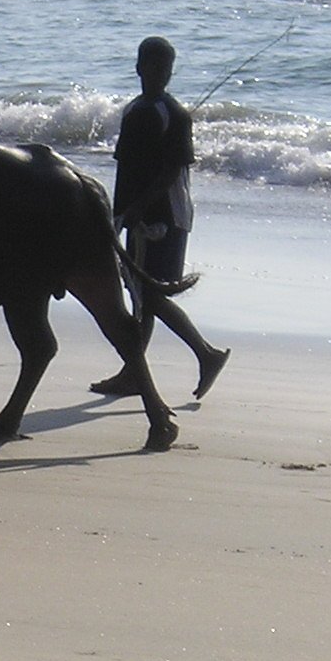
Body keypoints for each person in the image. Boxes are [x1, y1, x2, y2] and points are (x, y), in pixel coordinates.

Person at [92, 35, 230, 401]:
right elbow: (127, 166)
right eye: (153, 67)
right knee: (141, 295)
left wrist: (141, 206)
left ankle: (205, 353)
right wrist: (120, 211)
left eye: (165, 69)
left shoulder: (175, 115)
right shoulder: (134, 110)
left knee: (150, 295)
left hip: (165, 216)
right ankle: (134, 373)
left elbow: (171, 172)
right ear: (139, 68)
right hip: (134, 214)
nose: (159, 74)